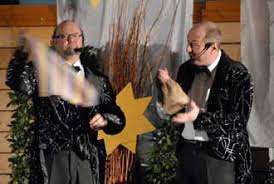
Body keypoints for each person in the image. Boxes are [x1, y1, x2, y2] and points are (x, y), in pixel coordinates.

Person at [6, 20, 126, 184]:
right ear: (54, 42)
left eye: (74, 36)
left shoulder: (98, 81)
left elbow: (118, 119)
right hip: (52, 158)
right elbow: (16, 82)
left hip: (85, 157)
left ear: (82, 40)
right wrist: (21, 52)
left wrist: (105, 119)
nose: (69, 40)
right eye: (62, 36)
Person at [156, 21, 254, 184]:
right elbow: (179, 105)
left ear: (214, 46)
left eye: (194, 45)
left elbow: (238, 121)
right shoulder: (185, 69)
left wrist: (199, 117)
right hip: (186, 151)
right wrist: (167, 90)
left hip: (218, 157)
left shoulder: (237, 73)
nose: (188, 49)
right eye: (188, 43)